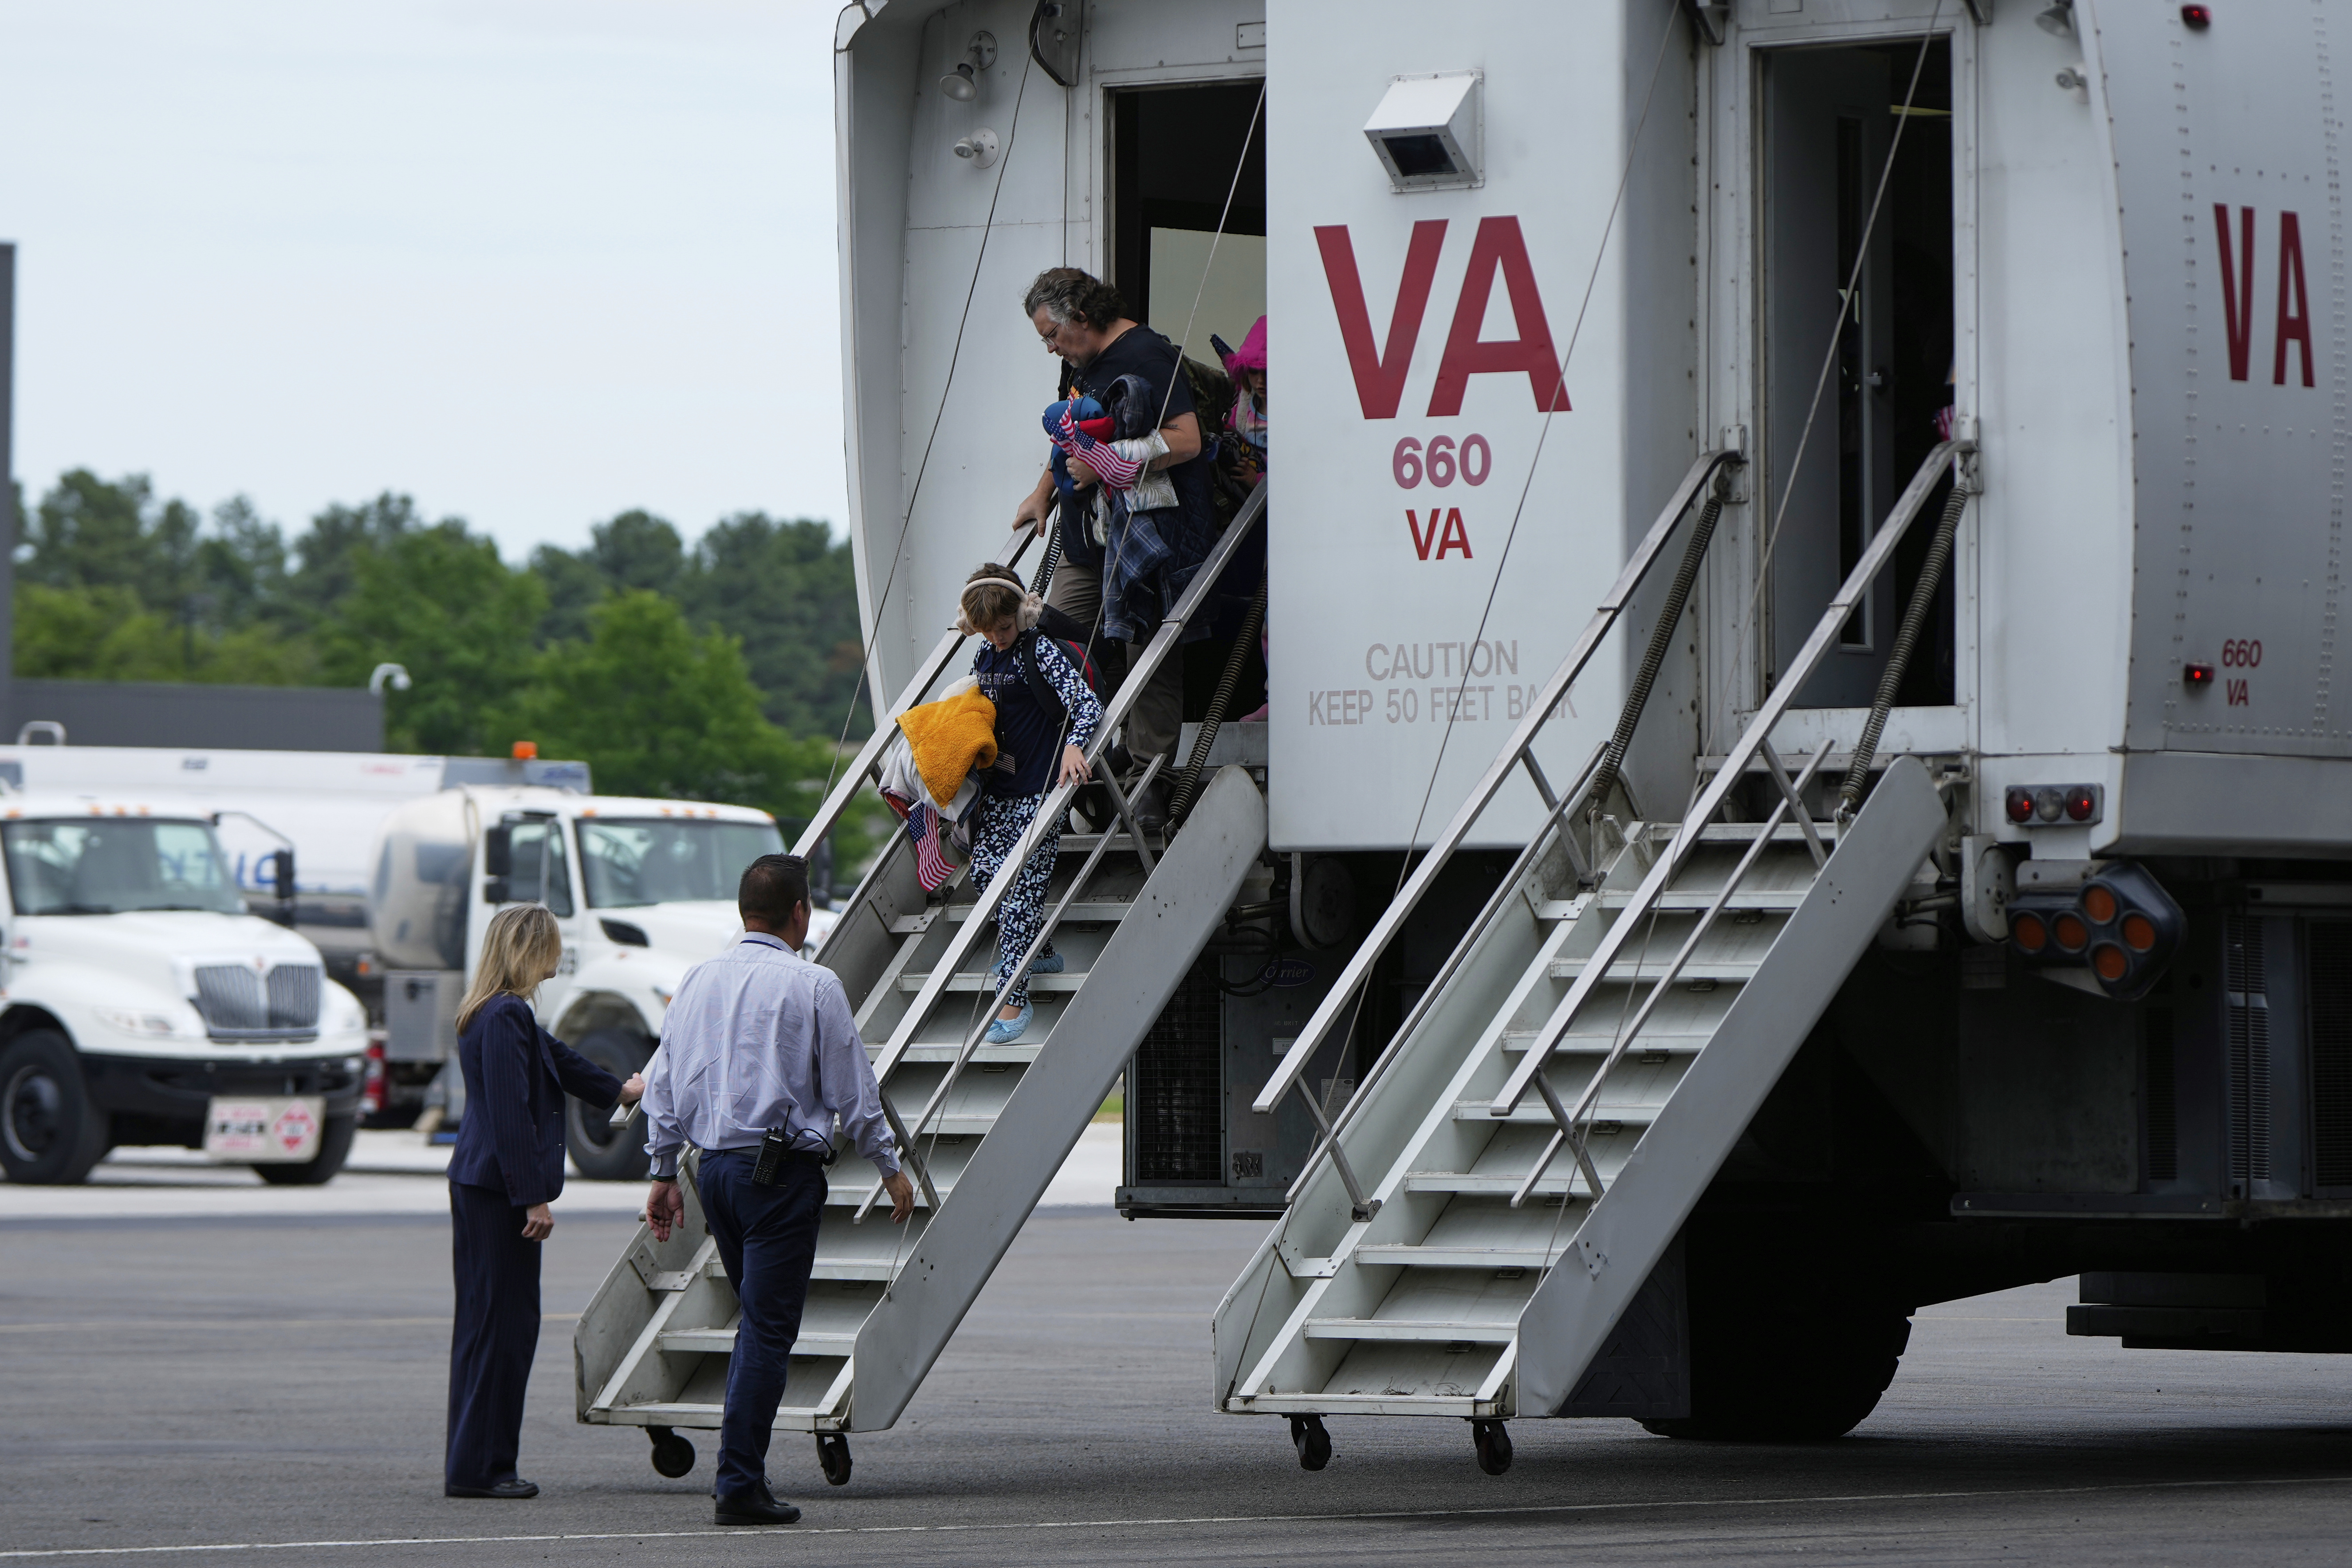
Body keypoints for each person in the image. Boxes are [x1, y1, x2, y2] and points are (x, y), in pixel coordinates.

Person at [640, 854, 914, 1527]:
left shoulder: (695, 980)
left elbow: (663, 1083)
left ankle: (742, 1472)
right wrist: (888, 1164)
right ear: (800, 912)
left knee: (754, 1324)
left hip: (715, 1173)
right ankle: (738, 1482)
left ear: (745, 912)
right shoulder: (814, 984)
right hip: (779, 1178)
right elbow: (853, 1089)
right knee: (767, 1330)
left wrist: (663, 1171)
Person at [444, 902, 644, 1501]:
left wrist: (620, 1089)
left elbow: (558, 1059)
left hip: (478, 1182)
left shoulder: (491, 1011)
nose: (559, 955)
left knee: (484, 1322)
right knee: (505, 1326)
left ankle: (473, 1460)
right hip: (498, 1189)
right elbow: (511, 1111)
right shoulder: (508, 1014)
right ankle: (484, 1467)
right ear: (531, 949)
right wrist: (532, 1198)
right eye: (552, 944)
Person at [1012, 266, 1218, 833]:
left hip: (1146, 535)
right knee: (1049, 645)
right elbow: (1068, 436)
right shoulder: (1078, 362)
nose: (1051, 348)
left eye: (1052, 335)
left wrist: (1109, 461)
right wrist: (1042, 493)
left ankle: (1149, 780)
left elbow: (1187, 439)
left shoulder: (1147, 354)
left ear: (1081, 316)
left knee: (1147, 653)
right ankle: (1073, 767)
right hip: (1087, 539)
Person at [957, 565, 1102, 1045]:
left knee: (1020, 895)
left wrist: (1074, 745)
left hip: (1040, 793)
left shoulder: (1037, 649)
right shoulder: (986, 653)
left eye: (1004, 627)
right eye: (987, 630)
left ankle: (1013, 1000)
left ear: (1022, 614)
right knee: (985, 875)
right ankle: (1039, 953)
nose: (998, 637)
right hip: (1001, 790)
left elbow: (1087, 705)